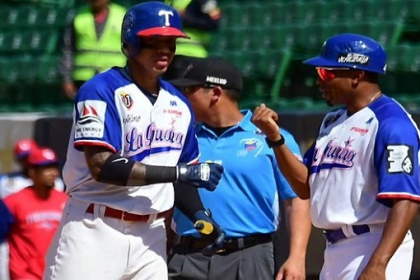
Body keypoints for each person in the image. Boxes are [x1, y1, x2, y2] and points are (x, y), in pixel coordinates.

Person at [44, 2, 225, 280]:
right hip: (94, 229)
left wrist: (199, 214)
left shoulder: (179, 102)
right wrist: (179, 173)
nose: (164, 49)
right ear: (129, 45)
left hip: (150, 237)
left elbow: (182, 171)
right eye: (154, 40)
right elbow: (103, 166)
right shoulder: (100, 89)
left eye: (170, 41)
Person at [251, 33, 420, 280]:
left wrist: (378, 264)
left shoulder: (392, 123)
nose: (319, 80)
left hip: (373, 244)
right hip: (335, 251)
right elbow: (305, 186)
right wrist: (276, 140)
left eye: (326, 72)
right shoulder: (334, 120)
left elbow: (406, 200)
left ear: (357, 75)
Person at [167, 57, 311, 280]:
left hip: (248, 255)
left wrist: (297, 257)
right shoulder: (182, 137)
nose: (182, 96)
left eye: (190, 89)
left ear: (215, 92)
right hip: (188, 254)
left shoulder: (271, 136)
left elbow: (297, 199)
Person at [0, 139, 65, 280]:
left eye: (54, 167)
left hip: (58, 273)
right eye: (46, 168)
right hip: (25, 275)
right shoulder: (11, 202)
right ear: (32, 172)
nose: (53, 173)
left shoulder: (66, 201)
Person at [60, 0, 127, 99]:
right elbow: (67, 50)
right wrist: (66, 80)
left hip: (116, 78)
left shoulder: (123, 15)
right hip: (83, 80)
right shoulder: (78, 17)